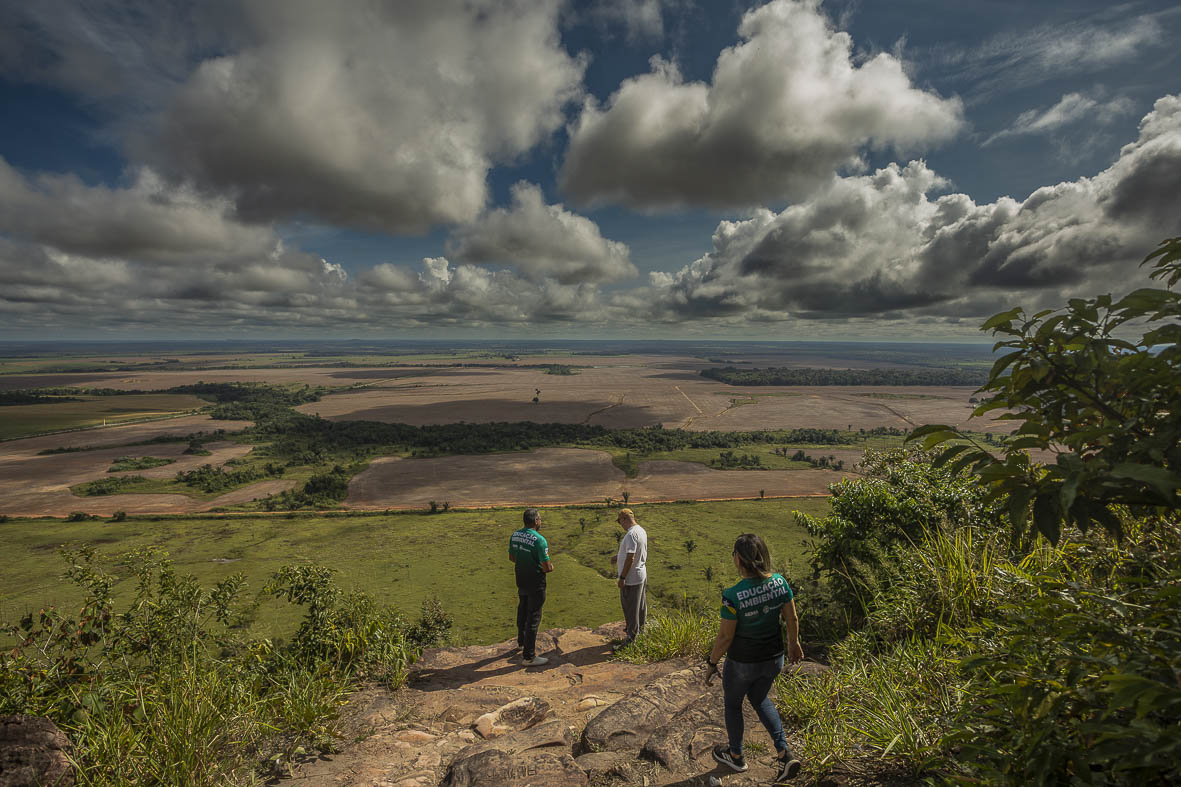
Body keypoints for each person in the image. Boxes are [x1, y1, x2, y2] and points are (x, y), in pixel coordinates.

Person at [704, 534, 803, 783]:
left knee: (733, 704)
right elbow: (791, 618)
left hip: (742, 663)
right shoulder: (780, 582)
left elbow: (725, 637)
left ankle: (736, 756)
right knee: (759, 698)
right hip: (773, 659)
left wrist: (712, 662)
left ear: (738, 559)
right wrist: (794, 644)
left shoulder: (732, 595)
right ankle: (784, 753)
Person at [508, 508, 553, 666]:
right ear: (535, 521)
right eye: (540, 519)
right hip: (535, 581)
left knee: (523, 609)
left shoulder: (515, 535)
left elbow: (512, 557)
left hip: (521, 577)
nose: (541, 521)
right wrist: (550, 567)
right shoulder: (540, 540)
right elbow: (546, 567)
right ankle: (529, 657)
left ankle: (521, 642)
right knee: (533, 617)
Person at [609, 507, 647, 648]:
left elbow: (631, 557)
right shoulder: (641, 530)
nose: (621, 525)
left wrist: (622, 577)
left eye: (620, 522)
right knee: (640, 607)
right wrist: (618, 557)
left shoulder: (631, 534)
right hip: (640, 574)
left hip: (631, 578)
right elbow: (634, 553)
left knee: (630, 609)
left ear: (624, 519)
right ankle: (641, 632)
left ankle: (631, 641)